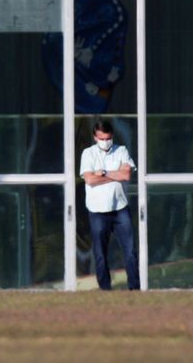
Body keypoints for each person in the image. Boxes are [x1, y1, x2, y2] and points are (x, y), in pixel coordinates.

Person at [79, 120, 140, 290]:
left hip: (120, 209)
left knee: (130, 252)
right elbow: (89, 179)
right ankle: (105, 290)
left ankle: (135, 288)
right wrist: (115, 174)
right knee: (100, 254)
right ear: (95, 137)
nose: (105, 142)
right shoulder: (88, 154)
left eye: (108, 138)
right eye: (102, 138)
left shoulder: (121, 151)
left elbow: (126, 175)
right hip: (97, 212)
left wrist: (103, 173)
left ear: (112, 136)